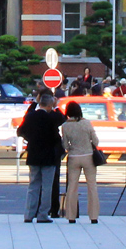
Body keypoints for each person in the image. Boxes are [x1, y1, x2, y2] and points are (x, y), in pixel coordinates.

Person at [17, 89, 65, 223]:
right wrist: (56, 107)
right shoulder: (52, 117)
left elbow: (20, 131)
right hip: (49, 155)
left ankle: (28, 214)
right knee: (47, 187)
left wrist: (30, 138)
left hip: (33, 153)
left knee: (33, 185)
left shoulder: (31, 116)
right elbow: (63, 119)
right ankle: (42, 214)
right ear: (50, 106)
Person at [58, 101, 100, 223]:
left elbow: (65, 144)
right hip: (88, 157)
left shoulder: (65, 126)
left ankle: (71, 216)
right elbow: (96, 141)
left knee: (72, 187)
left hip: (73, 157)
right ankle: (93, 216)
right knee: (92, 186)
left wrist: (72, 148)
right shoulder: (87, 123)